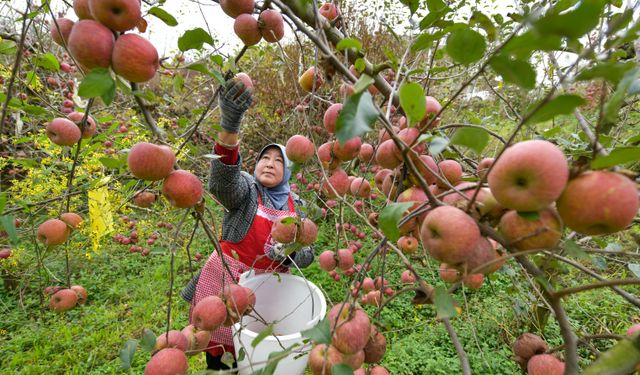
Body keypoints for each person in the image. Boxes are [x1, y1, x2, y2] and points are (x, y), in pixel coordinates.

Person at [181, 79, 315, 371]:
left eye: (278, 160)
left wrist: (289, 251)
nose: (269, 163)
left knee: (257, 350)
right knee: (220, 349)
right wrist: (230, 124)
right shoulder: (247, 191)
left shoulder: (296, 206)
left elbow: (309, 254)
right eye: (264, 158)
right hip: (226, 277)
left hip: (267, 292)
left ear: (288, 170)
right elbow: (222, 182)